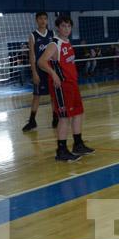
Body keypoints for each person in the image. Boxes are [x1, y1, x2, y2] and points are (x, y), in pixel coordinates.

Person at [37, 15, 94, 161]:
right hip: (61, 86)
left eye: (68, 26)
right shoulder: (54, 44)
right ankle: (61, 150)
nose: (66, 29)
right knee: (64, 118)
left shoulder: (67, 43)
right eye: (63, 26)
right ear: (58, 27)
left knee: (78, 113)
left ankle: (78, 144)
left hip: (72, 84)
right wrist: (53, 74)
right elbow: (41, 62)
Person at [22, 12, 58, 132]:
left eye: (45, 18)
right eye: (40, 19)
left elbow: (56, 53)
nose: (43, 21)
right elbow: (32, 55)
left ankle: (55, 118)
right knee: (36, 96)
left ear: (47, 20)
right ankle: (32, 121)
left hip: (50, 69)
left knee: (54, 95)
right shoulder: (33, 36)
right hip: (39, 70)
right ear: (36, 20)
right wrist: (34, 72)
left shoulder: (52, 34)